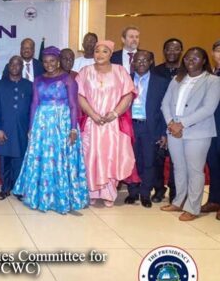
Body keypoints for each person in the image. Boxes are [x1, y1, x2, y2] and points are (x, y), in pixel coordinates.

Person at [12, 47, 89, 213]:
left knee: (60, 158)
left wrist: (73, 129)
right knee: (42, 159)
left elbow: (74, 105)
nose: (49, 65)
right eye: (46, 62)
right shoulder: (38, 80)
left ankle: (60, 197)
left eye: (52, 61)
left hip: (61, 123)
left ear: (58, 61)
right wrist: (31, 128)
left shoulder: (68, 79)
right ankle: (41, 196)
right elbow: (34, 103)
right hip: (42, 124)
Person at [161, 47, 220, 221]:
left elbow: (208, 109)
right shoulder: (177, 79)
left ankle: (193, 207)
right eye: (187, 58)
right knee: (178, 167)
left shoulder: (213, 81)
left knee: (195, 170)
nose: (190, 61)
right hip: (173, 130)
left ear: (203, 61)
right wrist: (171, 123)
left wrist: (182, 124)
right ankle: (178, 201)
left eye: (195, 58)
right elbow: (165, 104)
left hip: (198, 131)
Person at [76, 40, 136, 207]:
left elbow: (128, 95)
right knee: (91, 156)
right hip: (92, 123)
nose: (99, 54)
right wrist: (93, 114)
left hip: (112, 123)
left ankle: (109, 193)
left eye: (104, 51)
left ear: (111, 54)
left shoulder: (120, 71)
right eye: (97, 51)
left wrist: (115, 113)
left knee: (110, 156)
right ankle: (92, 191)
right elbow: (80, 96)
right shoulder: (85, 72)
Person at [125, 51, 170, 208]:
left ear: (151, 61)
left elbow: (166, 108)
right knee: (131, 160)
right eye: (137, 60)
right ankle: (132, 193)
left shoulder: (161, 81)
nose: (141, 63)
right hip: (129, 125)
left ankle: (145, 194)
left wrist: (164, 132)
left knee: (149, 161)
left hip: (151, 127)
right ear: (133, 63)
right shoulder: (125, 80)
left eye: (145, 60)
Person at [0, 56, 32, 200]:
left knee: (20, 161)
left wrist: (31, 128)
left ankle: (18, 189)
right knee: (4, 162)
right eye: (12, 64)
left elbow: (33, 109)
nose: (15, 66)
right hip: (4, 129)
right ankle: (5, 189)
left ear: (22, 67)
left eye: (18, 64)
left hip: (22, 130)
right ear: (8, 66)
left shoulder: (29, 85)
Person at [152, 38, 183, 202]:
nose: (172, 52)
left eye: (176, 49)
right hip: (159, 121)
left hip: (179, 123)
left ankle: (174, 190)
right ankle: (158, 189)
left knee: (176, 160)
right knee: (158, 158)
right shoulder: (156, 71)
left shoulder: (186, 72)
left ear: (181, 51)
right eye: (168, 49)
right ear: (164, 51)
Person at [202, 40, 220, 220]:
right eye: (218, 51)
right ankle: (215, 199)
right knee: (213, 163)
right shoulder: (211, 74)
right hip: (211, 125)